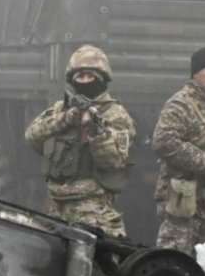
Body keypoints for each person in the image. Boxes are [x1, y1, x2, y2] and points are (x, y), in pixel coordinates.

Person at [25, 45, 136, 237]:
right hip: (55, 207)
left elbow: (114, 160)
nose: (84, 81)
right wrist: (64, 120)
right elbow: (32, 137)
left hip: (92, 208)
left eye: (89, 76)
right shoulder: (61, 109)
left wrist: (94, 132)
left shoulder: (115, 114)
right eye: (79, 77)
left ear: (101, 79)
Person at [152, 47, 205, 252]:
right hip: (181, 202)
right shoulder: (180, 104)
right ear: (195, 73)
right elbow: (163, 141)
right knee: (176, 264)